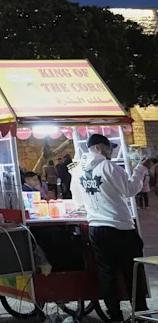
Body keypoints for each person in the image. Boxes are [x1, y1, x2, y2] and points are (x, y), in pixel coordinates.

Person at [72, 134, 152, 322]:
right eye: (109, 148)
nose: (111, 152)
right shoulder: (108, 166)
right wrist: (141, 169)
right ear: (99, 148)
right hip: (120, 228)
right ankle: (140, 313)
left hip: (96, 229)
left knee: (107, 274)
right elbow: (130, 190)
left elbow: (78, 199)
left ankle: (114, 315)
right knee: (132, 272)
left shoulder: (78, 170)